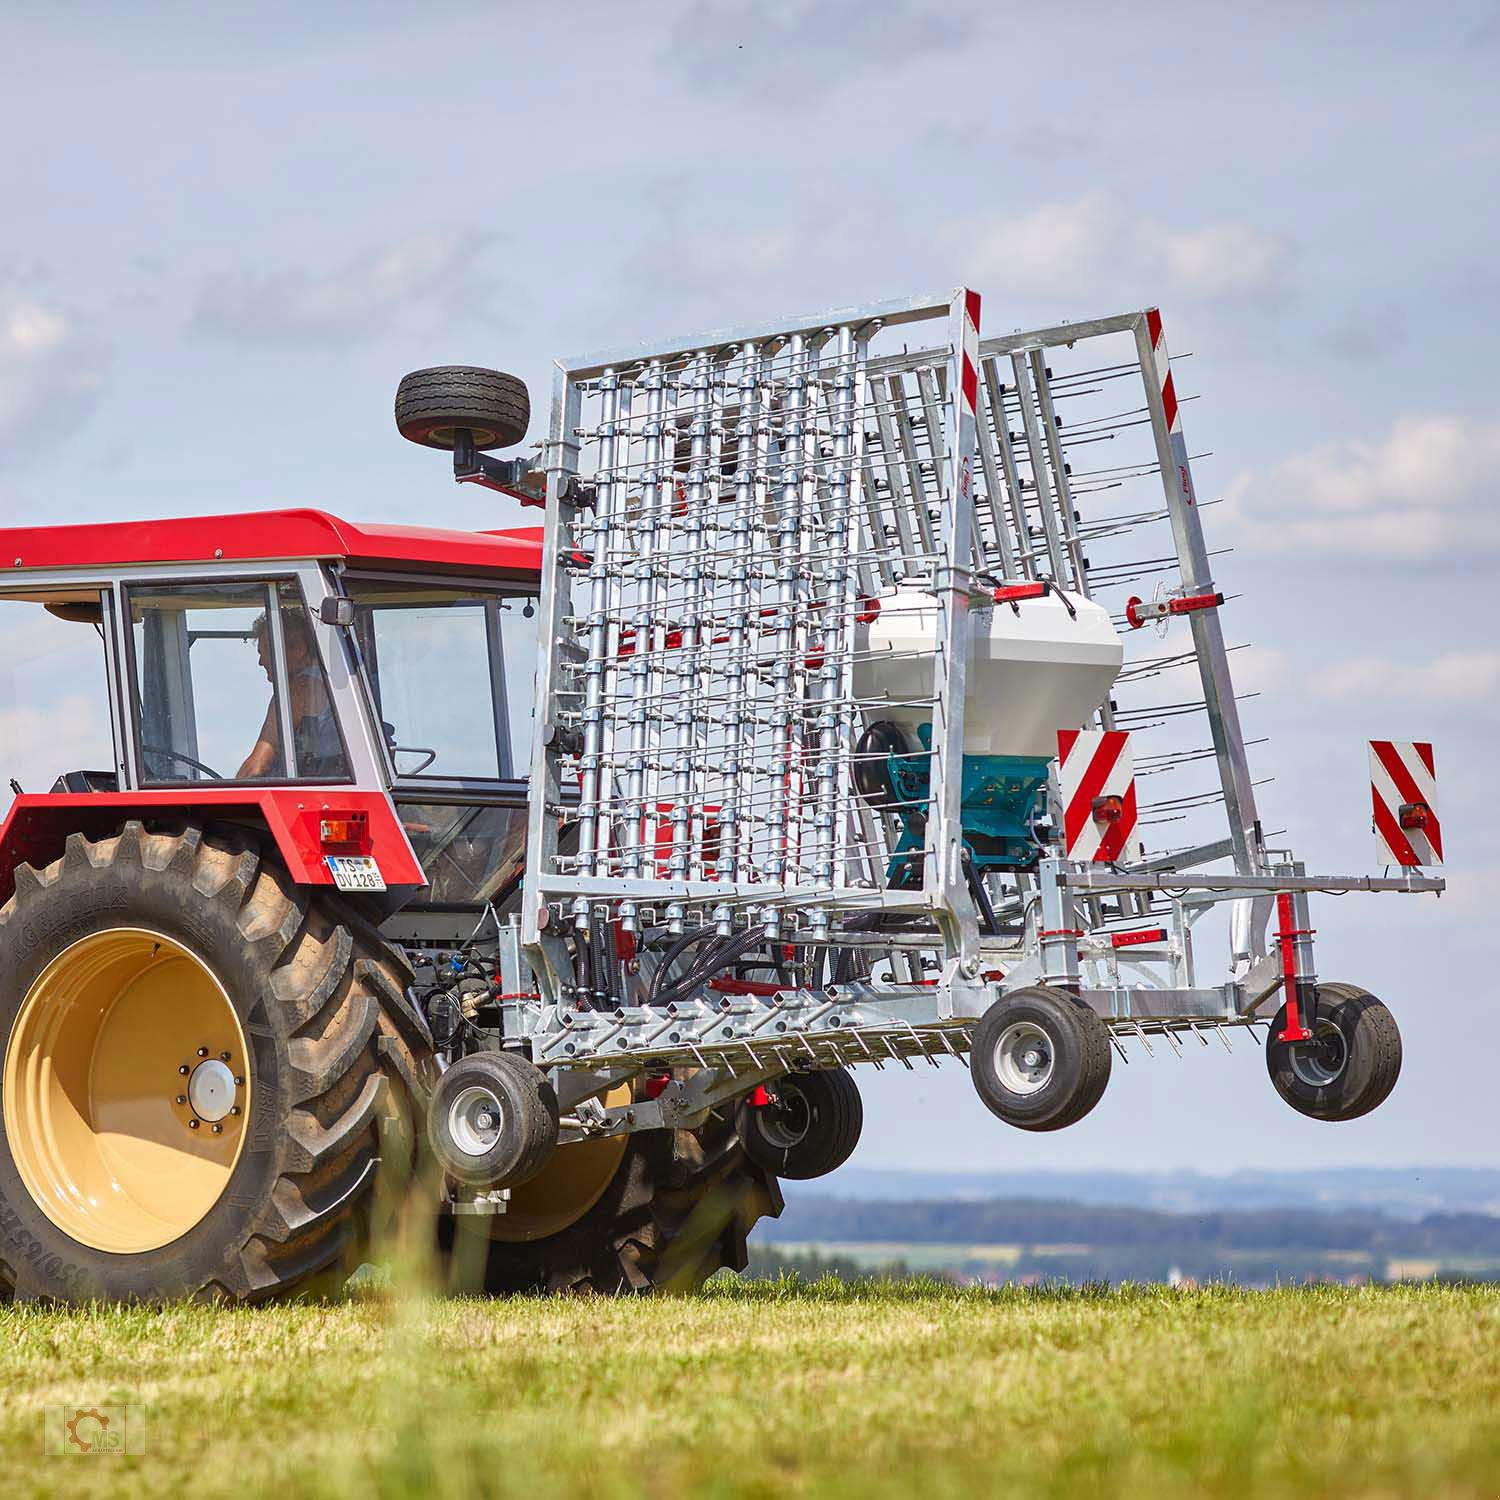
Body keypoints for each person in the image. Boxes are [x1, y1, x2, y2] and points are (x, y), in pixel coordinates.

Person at [236, 610, 346, 779]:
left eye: (265, 649)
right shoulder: (328, 683)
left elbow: (257, 766)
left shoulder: (298, 690)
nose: (261, 661)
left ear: (299, 649)